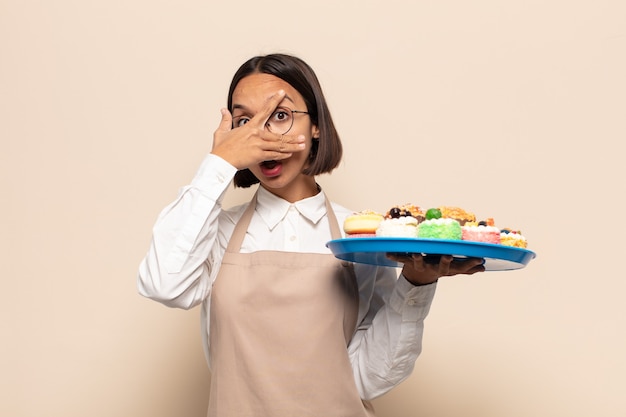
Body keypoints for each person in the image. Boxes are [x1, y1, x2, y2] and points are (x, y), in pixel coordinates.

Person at [137, 53, 484, 416]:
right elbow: (165, 285)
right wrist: (219, 164)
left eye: (281, 116)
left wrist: (416, 283)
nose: (263, 136)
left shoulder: (361, 237)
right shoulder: (215, 230)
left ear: (315, 125)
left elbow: (367, 378)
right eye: (245, 122)